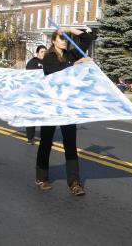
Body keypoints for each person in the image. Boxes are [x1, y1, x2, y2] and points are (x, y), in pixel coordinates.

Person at [36, 27, 93, 195]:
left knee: (70, 145)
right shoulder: (49, 57)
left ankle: (75, 183)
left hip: (67, 106)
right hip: (51, 105)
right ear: (53, 41)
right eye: (61, 38)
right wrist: (77, 64)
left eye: (65, 39)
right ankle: (41, 177)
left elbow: (87, 38)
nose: (64, 41)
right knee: (46, 142)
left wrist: (68, 29)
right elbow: (57, 70)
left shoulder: (69, 54)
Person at [25, 45, 47, 145]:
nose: (44, 54)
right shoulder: (32, 62)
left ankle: (45, 137)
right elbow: (30, 77)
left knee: (45, 116)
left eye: (45, 52)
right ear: (37, 53)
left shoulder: (48, 63)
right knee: (32, 116)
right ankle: (30, 137)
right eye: (42, 52)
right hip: (33, 94)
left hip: (44, 94)